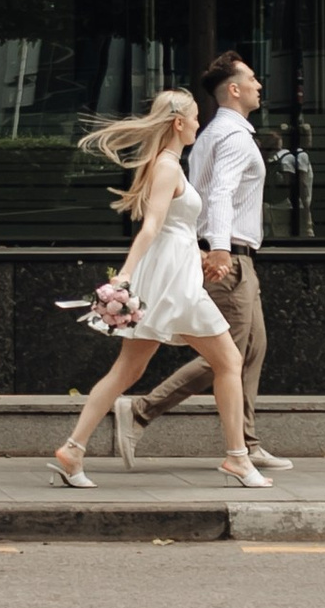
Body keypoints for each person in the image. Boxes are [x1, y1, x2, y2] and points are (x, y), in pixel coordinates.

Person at [51, 88, 269, 492]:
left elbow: (172, 228)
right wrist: (124, 277)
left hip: (175, 269)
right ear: (178, 123)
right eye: (195, 117)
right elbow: (151, 228)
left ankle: (72, 450)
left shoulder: (169, 165)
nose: (200, 124)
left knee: (128, 370)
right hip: (171, 280)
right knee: (228, 361)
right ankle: (238, 457)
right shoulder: (167, 166)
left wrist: (201, 255)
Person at [114, 50, 290, 472]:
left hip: (230, 253)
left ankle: (246, 442)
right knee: (227, 353)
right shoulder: (233, 137)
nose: (259, 86)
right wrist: (221, 249)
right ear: (234, 89)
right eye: (252, 79)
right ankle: (142, 410)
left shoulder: (213, 132)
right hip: (227, 255)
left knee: (253, 346)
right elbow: (220, 193)